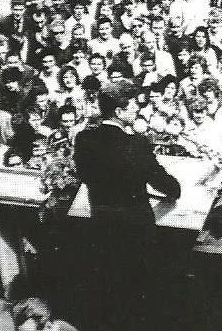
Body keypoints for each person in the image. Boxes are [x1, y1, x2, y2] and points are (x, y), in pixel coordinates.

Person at [73, 79, 181, 331]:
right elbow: (171, 188)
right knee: (140, 297)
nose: (138, 111)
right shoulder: (136, 144)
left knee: (111, 294)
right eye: (133, 107)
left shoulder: (84, 139)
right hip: (136, 232)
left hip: (102, 227)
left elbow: (85, 175)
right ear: (120, 112)